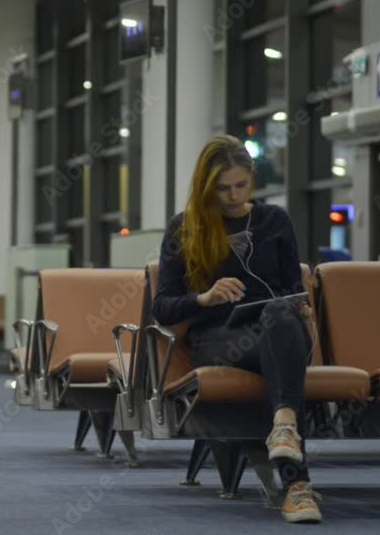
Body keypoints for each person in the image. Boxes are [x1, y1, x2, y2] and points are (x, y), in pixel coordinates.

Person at [153, 134, 322, 524]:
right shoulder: (185, 228)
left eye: (241, 185)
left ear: (252, 181)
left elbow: (292, 288)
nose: (233, 196)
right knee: (282, 352)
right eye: (223, 188)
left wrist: (301, 307)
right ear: (206, 187)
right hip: (220, 340)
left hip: (275, 331)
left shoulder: (274, 220)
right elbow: (161, 308)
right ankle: (296, 483)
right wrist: (204, 298)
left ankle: (285, 430)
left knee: (280, 315)